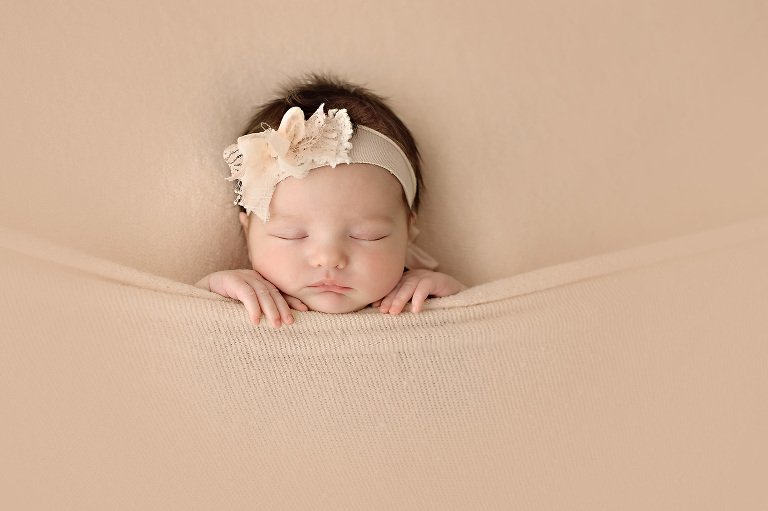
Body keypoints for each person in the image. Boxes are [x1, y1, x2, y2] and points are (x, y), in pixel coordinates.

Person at [195, 75, 466, 328]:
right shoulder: (239, 299)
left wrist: (456, 301)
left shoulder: (418, 304)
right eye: (291, 235)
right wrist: (208, 294)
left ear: (408, 234)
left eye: (367, 236)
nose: (329, 258)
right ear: (248, 233)